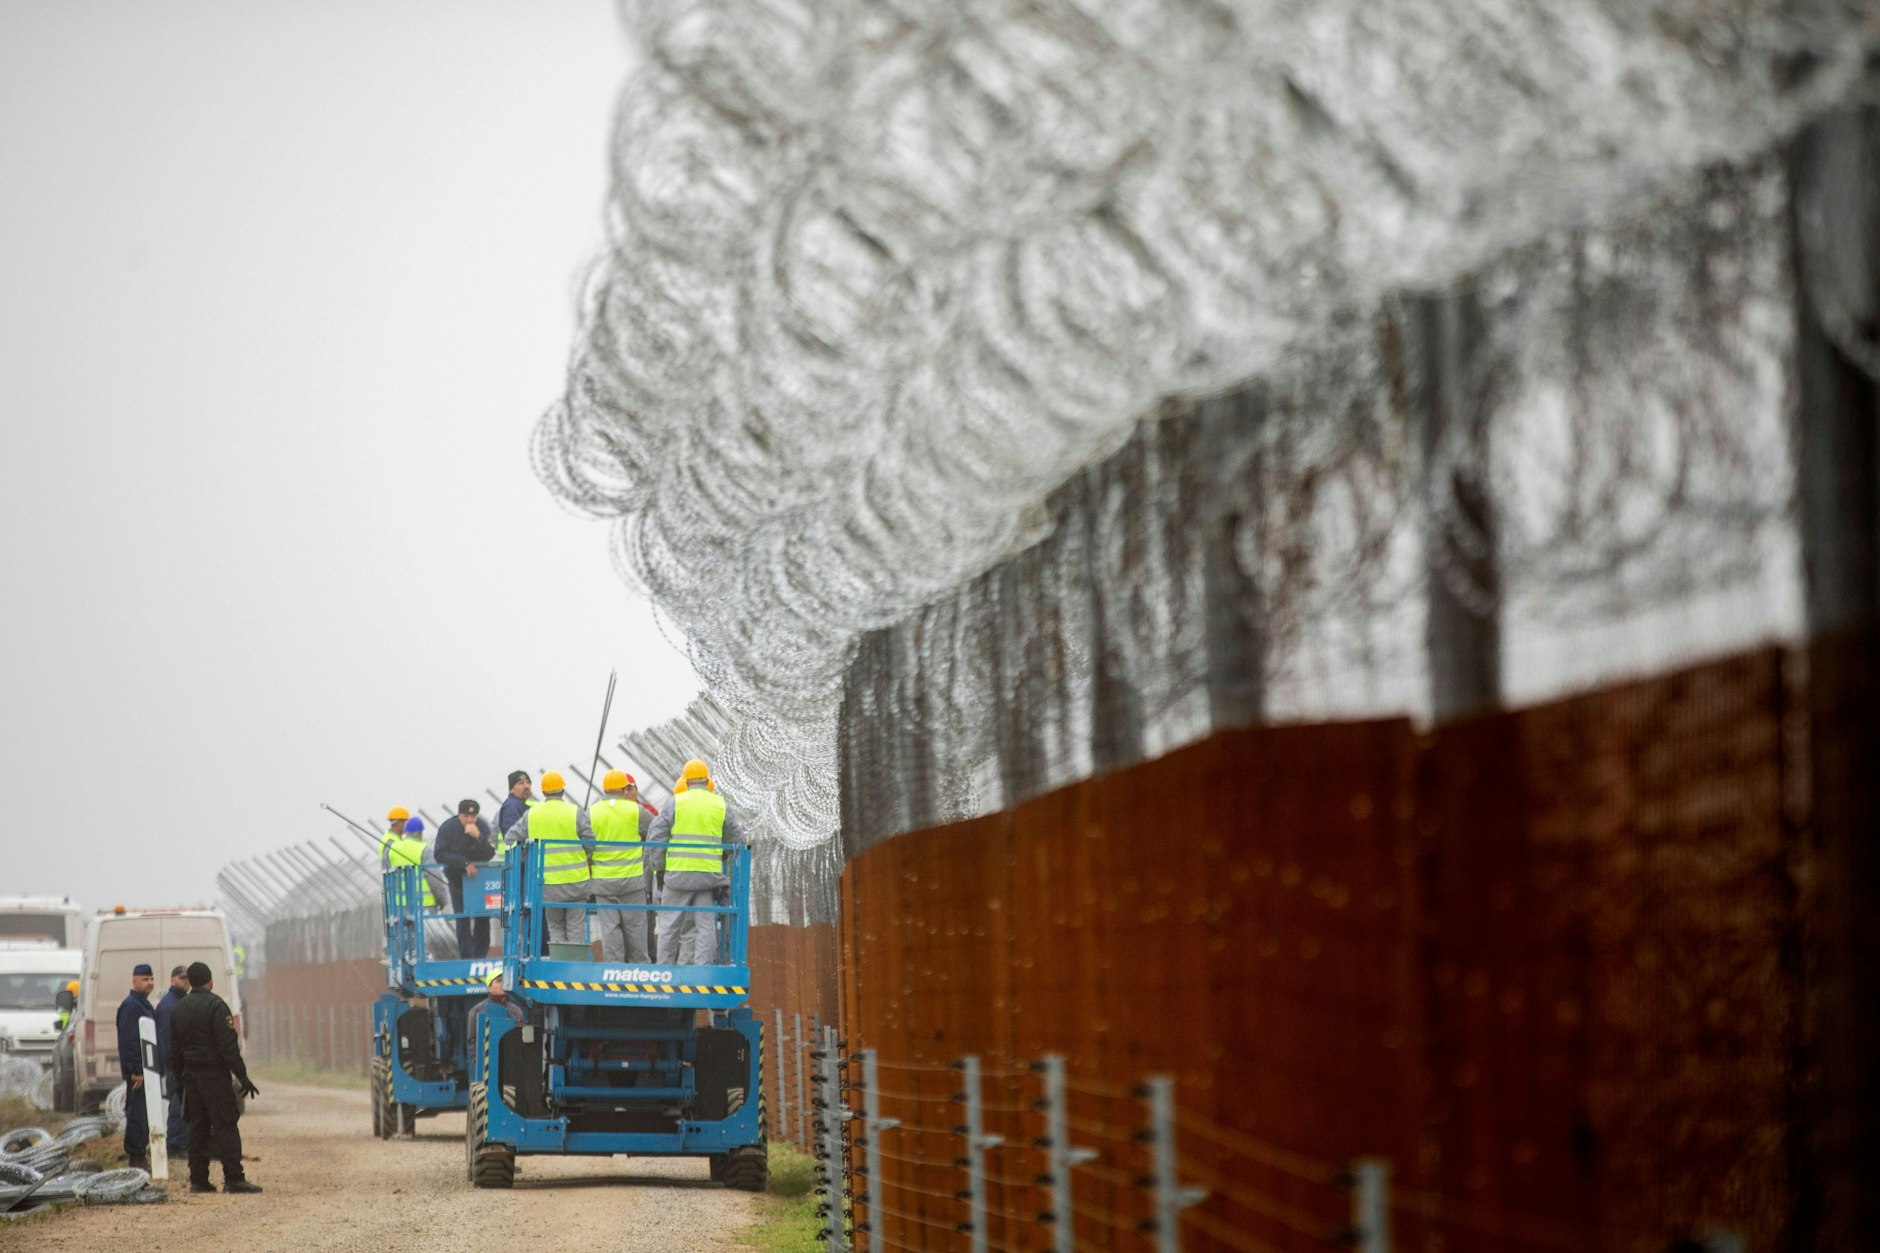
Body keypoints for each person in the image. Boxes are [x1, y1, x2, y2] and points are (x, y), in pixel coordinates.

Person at [647, 758, 750, 967]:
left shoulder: (674, 803)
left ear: (685, 781)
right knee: (706, 926)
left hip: (677, 877)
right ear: (707, 780)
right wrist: (722, 857)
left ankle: (663, 971)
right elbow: (738, 841)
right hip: (707, 878)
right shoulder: (720, 804)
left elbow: (656, 837)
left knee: (669, 926)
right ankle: (703, 971)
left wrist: (659, 870)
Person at [169, 961, 261, 1194]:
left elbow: (173, 1050)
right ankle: (233, 1179)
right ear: (210, 981)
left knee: (196, 1128)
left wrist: (180, 1081)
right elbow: (228, 1047)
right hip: (215, 1077)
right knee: (225, 1125)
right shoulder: (216, 1006)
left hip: (191, 1077)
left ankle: (198, 1180)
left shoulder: (179, 1009)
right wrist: (242, 1077)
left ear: (190, 981)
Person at [503, 770, 593, 947]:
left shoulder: (532, 814)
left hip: (546, 884)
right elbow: (590, 842)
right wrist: (582, 855)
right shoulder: (574, 812)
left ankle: (559, 968)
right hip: (577, 881)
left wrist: (524, 852)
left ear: (543, 792)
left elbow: (509, 838)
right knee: (576, 927)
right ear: (563, 791)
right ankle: (574, 969)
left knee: (555, 926)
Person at [590, 770, 652, 963]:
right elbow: (657, 831)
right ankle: (640, 971)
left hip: (603, 881)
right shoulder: (636, 810)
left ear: (605, 789)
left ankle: (614, 972)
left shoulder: (592, 811)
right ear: (624, 789)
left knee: (610, 930)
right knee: (636, 929)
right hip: (632, 880)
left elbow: (584, 841)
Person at [434, 798, 499, 958]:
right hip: (457, 879)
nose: (470, 820)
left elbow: (489, 853)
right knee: (462, 917)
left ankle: (480, 956)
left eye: (473, 816)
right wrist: (464, 863)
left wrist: (479, 837)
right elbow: (440, 854)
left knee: (482, 917)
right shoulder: (448, 828)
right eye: (466, 817)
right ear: (459, 815)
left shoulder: (482, 826)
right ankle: (466, 956)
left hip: (478, 879)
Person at [115, 964, 156, 1170]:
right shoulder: (132, 1005)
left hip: (146, 1070)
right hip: (139, 1073)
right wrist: (136, 1071)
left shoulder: (142, 1003)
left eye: (151, 979)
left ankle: (140, 1153)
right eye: (145, 979)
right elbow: (129, 1041)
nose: (149, 983)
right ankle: (136, 1156)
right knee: (137, 1115)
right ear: (134, 981)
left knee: (144, 1114)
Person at [154, 965, 191, 1159]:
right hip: (175, 1063)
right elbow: (167, 1039)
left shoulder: (178, 1001)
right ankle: (176, 1144)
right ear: (172, 980)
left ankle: (180, 1142)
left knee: (181, 1102)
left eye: (188, 979)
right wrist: (175, 1063)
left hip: (177, 1062)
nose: (186, 982)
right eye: (182, 978)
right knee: (178, 1103)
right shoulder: (170, 1005)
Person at [496, 771, 533, 839]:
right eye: (521, 783)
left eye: (527, 782)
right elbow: (512, 837)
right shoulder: (512, 806)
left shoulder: (521, 804)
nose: (526, 786)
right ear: (511, 789)